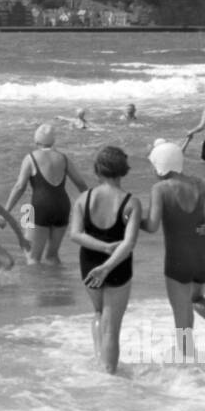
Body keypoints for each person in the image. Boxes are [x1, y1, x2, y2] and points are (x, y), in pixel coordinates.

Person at [139, 141, 205, 361]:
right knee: (197, 299)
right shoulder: (199, 183)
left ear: (160, 165)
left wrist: (129, 218)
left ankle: (191, 373)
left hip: (179, 261)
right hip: (204, 257)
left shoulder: (159, 188)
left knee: (183, 323)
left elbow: (151, 226)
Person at [69, 146, 142, 373]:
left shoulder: (84, 199)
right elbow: (128, 244)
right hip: (117, 267)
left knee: (99, 313)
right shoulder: (131, 203)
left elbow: (75, 235)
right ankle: (109, 375)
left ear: (97, 170)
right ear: (123, 170)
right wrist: (108, 263)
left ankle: (99, 361)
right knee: (112, 327)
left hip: (89, 264)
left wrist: (101, 251)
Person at [4, 124, 88, 265]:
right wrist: (90, 208)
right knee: (52, 256)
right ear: (53, 141)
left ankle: (36, 287)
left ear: (36, 141)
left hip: (39, 207)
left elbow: (19, 187)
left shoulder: (30, 157)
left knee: (32, 256)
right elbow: (81, 184)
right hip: (62, 207)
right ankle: (58, 286)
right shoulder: (63, 158)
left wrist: (5, 213)